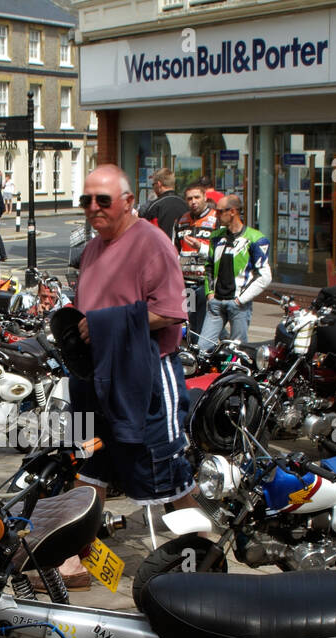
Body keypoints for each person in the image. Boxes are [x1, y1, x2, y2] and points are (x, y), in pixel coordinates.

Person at [71, 164, 197, 519]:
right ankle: (72, 558)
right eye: (86, 200)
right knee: (87, 462)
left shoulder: (152, 243)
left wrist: (105, 326)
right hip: (96, 377)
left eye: (103, 200)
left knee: (166, 468)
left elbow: (172, 312)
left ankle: (201, 552)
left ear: (127, 202)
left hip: (147, 377)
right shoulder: (92, 249)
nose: (93, 207)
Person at [199, 195, 271, 354]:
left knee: (237, 352)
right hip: (216, 303)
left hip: (238, 304)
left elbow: (265, 276)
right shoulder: (216, 237)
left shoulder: (255, 239)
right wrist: (210, 293)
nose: (216, 215)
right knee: (202, 348)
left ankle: (234, 378)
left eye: (219, 212)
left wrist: (241, 299)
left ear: (232, 212)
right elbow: (209, 266)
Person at [174, 184, 219, 336]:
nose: (193, 201)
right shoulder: (181, 220)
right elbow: (176, 251)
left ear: (205, 197)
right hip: (187, 283)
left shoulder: (216, 219)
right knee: (188, 324)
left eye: (197, 197)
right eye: (189, 198)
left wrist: (201, 247)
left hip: (206, 283)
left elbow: (220, 254)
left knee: (207, 325)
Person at [140, 168, 187, 240]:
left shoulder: (155, 206)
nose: (153, 188)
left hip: (161, 247)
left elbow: (148, 233)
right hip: (182, 247)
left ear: (159, 184)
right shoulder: (185, 203)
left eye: (153, 184)